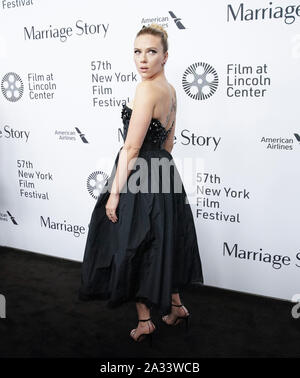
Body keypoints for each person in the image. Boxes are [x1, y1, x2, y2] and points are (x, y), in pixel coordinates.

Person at [78, 23, 203, 346]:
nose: (142, 59)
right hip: (164, 173)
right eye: (137, 51)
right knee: (162, 242)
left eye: (151, 52)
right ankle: (177, 307)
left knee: (134, 246)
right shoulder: (171, 90)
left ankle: (146, 322)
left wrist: (115, 193)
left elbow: (131, 148)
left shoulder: (145, 90)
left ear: (165, 56)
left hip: (139, 175)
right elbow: (169, 143)